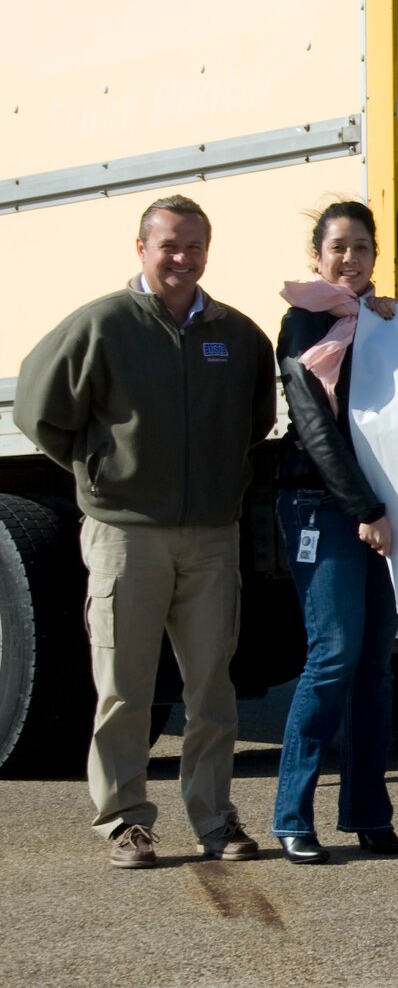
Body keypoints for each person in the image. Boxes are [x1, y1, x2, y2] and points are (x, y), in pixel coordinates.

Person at [14, 195, 276, 867]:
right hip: (126, 536)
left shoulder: (238, 336)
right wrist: (102, 471)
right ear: (141, 248)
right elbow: (40, 411)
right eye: (169, 246)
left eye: (194, 246)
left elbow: (254, 421)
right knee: (124, 688)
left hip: (210, 537)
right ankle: (124, 820)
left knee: (211, 690)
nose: (182, 259)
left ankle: (215, 818)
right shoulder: (102, 325)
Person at [270, 202, 398, 864]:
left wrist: (391, 321)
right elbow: (315, 427)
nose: (349, 258)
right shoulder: (303, 321)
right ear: (317, 256)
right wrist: (365, 508)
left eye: (361, 247)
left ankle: (368, 814)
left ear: (375, 255)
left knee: (374, 667)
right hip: (319, 505)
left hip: (380, 509)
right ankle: (292, 816)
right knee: (334, 655)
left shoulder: (385, 321)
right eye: (337, 247)